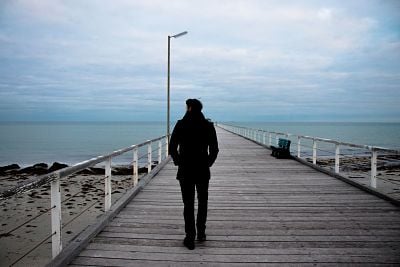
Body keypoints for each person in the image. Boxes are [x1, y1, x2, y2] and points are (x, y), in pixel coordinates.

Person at [169, 99, 219, 250]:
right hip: (202, 169)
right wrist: (207, 163)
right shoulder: (208, 125)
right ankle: (201, 233)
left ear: (189, 108)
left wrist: (178, 162)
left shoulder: (181, 124)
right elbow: (214, 149)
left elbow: (172, 147)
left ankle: (190, 237)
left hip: (185, 170)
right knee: (203, 201)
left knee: (188, 204)